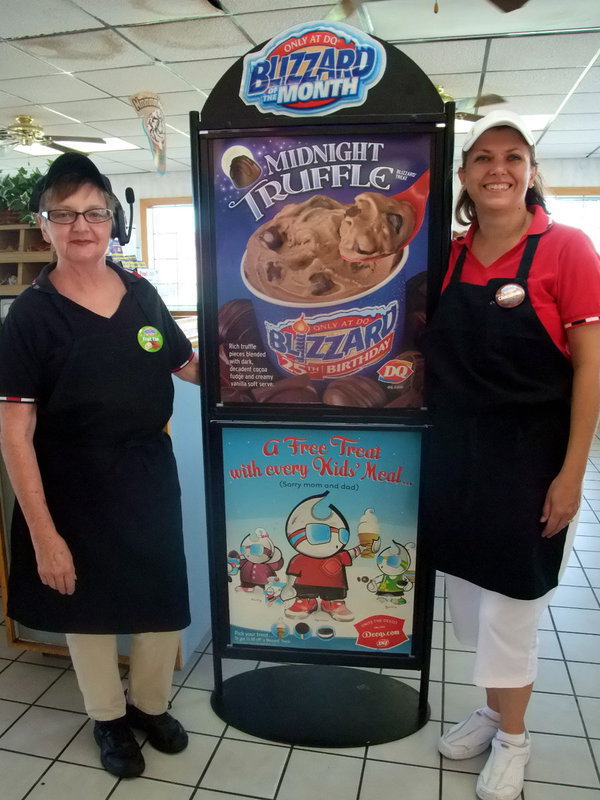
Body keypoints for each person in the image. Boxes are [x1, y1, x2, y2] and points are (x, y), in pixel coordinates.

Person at [0, 153, 200, 779]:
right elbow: (15, 431)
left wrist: (260, 370)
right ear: (45, 226)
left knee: (158, 598)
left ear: (113, 221)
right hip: (71, 485)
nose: (81, 226)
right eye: (64, 214)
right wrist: (43, 533)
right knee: (84, 606)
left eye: (93, 212)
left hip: (147, 475)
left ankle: (149, 705)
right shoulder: (31, 315)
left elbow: (185, 363)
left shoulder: (141, 294)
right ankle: (108, 718)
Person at [422, 111, 600, 800]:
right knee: (470, 607)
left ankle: (515, 742)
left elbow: (591, 370)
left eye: (514, 156)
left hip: (531, 460)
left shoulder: (569, 250)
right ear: (464, 176)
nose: (499, 167)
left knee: (512, 609)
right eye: (484, 158)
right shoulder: (451, 257)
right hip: (458, 456)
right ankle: (494, 710)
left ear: (530, 171)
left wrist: (572, 475)